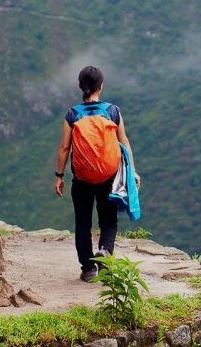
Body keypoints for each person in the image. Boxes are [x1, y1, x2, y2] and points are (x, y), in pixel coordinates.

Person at [54, 65, 140, 282]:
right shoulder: (113, 111)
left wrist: (59, 175)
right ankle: (105, 254)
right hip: (108, 178)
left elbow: (64, 148)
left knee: (82, 222)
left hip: (81, 179)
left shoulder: (72, 115)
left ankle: (88, 268)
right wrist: (133, 172)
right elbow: (124, 142)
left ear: (80, 86)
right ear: (101, 86)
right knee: (108, 221)